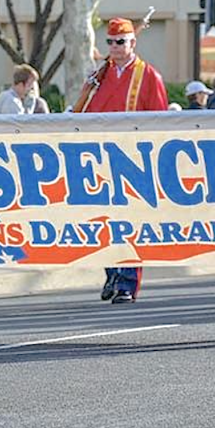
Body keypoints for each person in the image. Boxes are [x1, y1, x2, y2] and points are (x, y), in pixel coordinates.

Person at [74, 17, 168, 304]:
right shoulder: (100, 76)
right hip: (100, 159)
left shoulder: (148, 75)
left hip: (133, 160)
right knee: (104, 221)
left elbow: (161, 119)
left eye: (121, 42)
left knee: (130, 223)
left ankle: (127, 281)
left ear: (133, 43)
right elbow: (85, 116)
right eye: (110, 42)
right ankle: (112, 273)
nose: (115, 47)